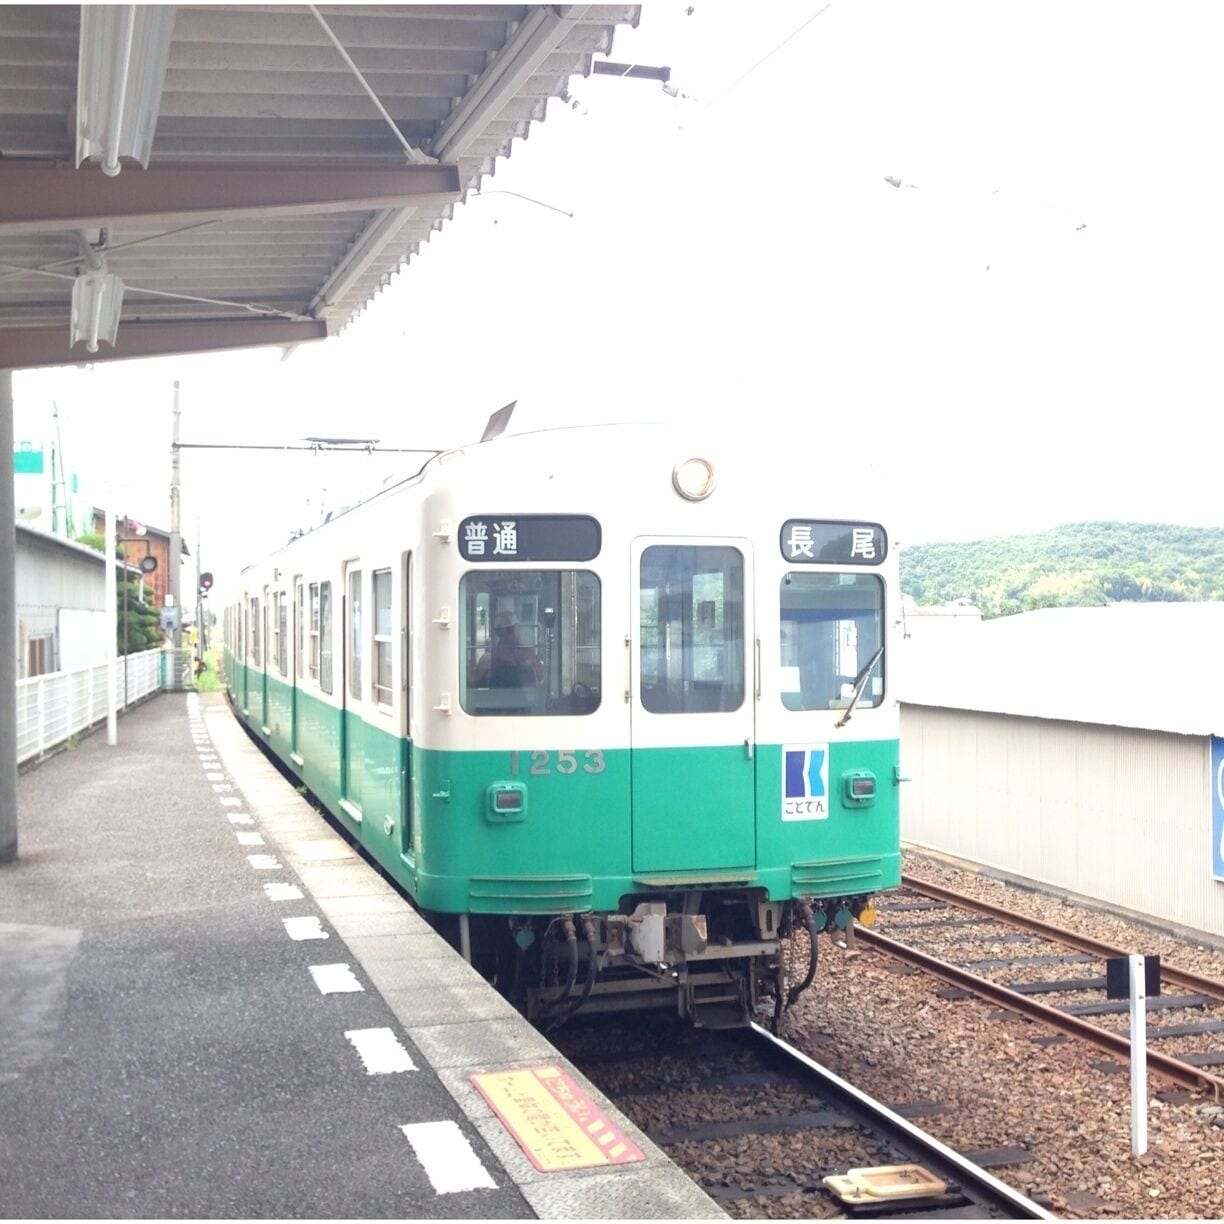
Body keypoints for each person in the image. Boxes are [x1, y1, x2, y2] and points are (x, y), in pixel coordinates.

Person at [472, 611, 544, 688]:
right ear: (512, 630)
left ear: (497, 633)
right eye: (517, 627)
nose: (519, 630)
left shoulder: (486, 659)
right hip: (523, 699)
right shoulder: (528, 654)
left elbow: (475, 684)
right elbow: (540, 677)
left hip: (493, 699)